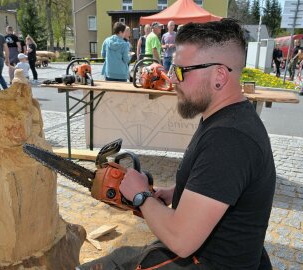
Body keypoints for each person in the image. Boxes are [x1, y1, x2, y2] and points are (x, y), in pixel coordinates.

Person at [78, 19, 275, 270]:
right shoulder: (226, 118)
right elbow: (220, 184)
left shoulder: (229, 139)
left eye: (180, 71)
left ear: (219, 76)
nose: (171, 79)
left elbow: (182, 241)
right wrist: (177, 191)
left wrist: (141, 196)